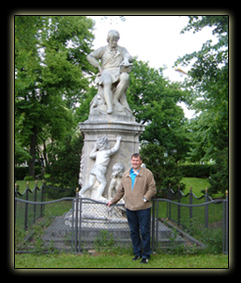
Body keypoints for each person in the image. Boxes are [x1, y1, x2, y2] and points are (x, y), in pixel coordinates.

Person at [107, 153, 156, 264]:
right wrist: (112, 201)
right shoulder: (126, 175)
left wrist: (145, 199)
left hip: (143, 208)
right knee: (134, 232)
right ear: (131, 161)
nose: (135, 162)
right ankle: (137, 253)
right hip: (130, 208)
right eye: (133, 160)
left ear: (141, 161)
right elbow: (120, 191)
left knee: (144, 232)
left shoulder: (147, 174)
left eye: (137, 160)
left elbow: (152, 189)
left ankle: (146, 255)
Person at [87, 30, 133, 114]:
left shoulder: (122, 49)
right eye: (112, 40)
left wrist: (126, 59)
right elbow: (90, 56)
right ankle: (110, 107)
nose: (114, 42)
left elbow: (129, 56)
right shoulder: (103, 49)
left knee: (125, 76)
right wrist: (98, 65)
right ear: (108, 40)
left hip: (118, 71)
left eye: (116, 40)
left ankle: (115, 100)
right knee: (107, 81)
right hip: (106, 71)